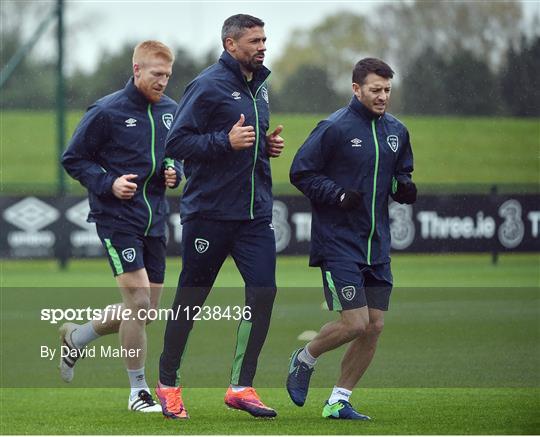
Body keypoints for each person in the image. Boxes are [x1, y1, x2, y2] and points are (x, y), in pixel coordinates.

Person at [156, 14, 284, 420]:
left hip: (254, 215)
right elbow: (176, 142)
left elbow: (247, 143)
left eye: (264, 39)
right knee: (190, 302)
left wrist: (265, 146)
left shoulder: (260, 87)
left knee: (263, 293)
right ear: (231, 45)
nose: (262, 46)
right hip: (208, 214)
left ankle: (241, 386)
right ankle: (168, 384)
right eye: (254, 40)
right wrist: (225, 142)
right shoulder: (208, 85)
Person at [287, 58, 417, 420]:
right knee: (355, 323)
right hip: (338, 242)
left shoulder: (397, 131)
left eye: (387, 90)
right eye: (375, 89)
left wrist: (402, 186)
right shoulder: (333, 128)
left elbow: (399, 172)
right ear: (356, 89)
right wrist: (337, 194)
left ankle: (338, 401)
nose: (382, 96)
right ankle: (305, 357)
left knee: (374, 325)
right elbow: (301, 172)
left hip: (377, 244)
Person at [61, 40, 181, 412]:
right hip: (116, 219)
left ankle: (77, 338)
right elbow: (74, 158)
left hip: (154, 220)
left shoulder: (171, 111)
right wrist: (108, 182)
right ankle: (138, 392)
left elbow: (178, 152)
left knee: (145, 311)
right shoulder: (107, 111)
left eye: (167, 75)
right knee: (140, 302)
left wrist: (177, 171)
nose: (162, 81)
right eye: (156, 74)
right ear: (136, 70)